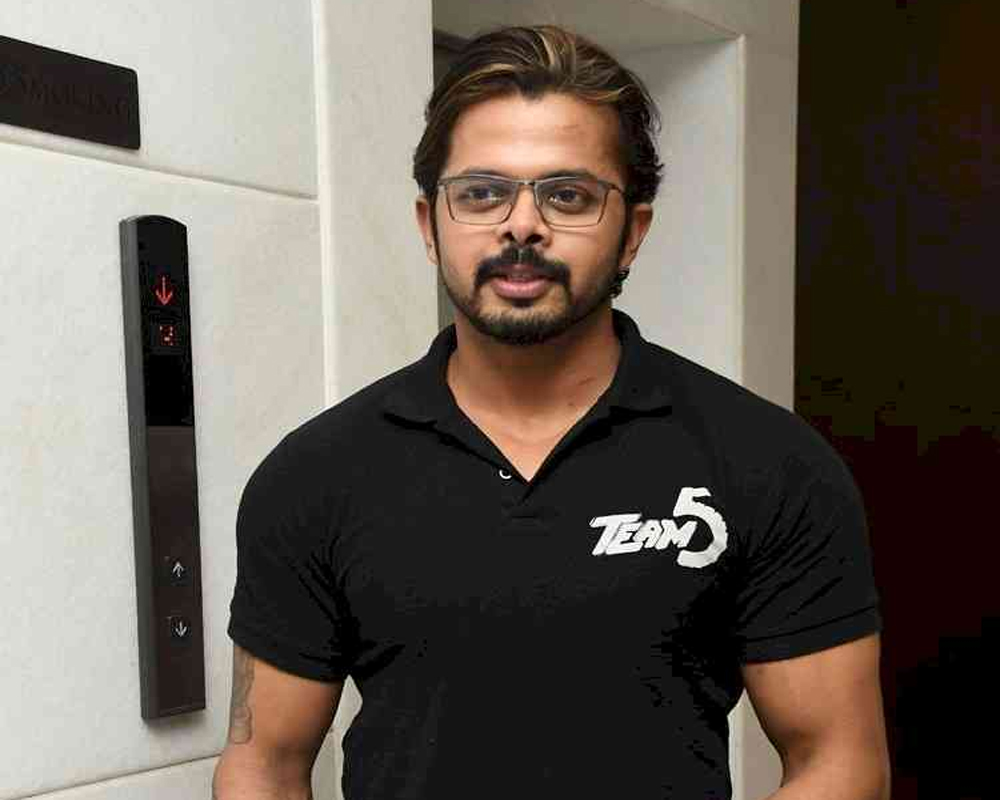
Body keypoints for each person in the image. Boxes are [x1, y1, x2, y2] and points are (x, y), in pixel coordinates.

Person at [213, 24, 890, 800]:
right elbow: (263, 764)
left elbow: (839, 761)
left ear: (632, 233)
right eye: (481, 193)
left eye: (568, 195)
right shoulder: (314, 476)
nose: (522, 225)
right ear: (430, 226)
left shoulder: (769, 464)